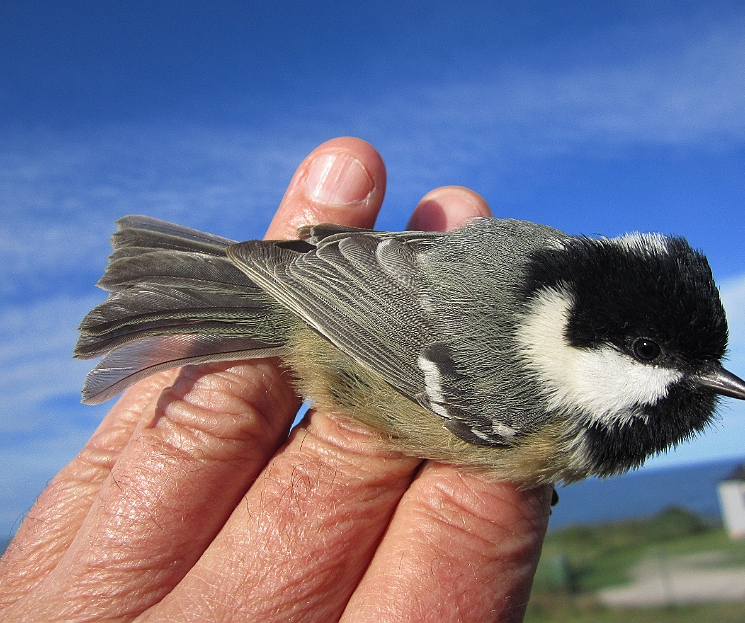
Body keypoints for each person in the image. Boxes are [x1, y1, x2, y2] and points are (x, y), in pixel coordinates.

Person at [0, 138, 552, 621]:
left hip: (364, 278)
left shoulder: (544, 251)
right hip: (353, 319)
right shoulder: (543, 400)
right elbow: (396, 326)